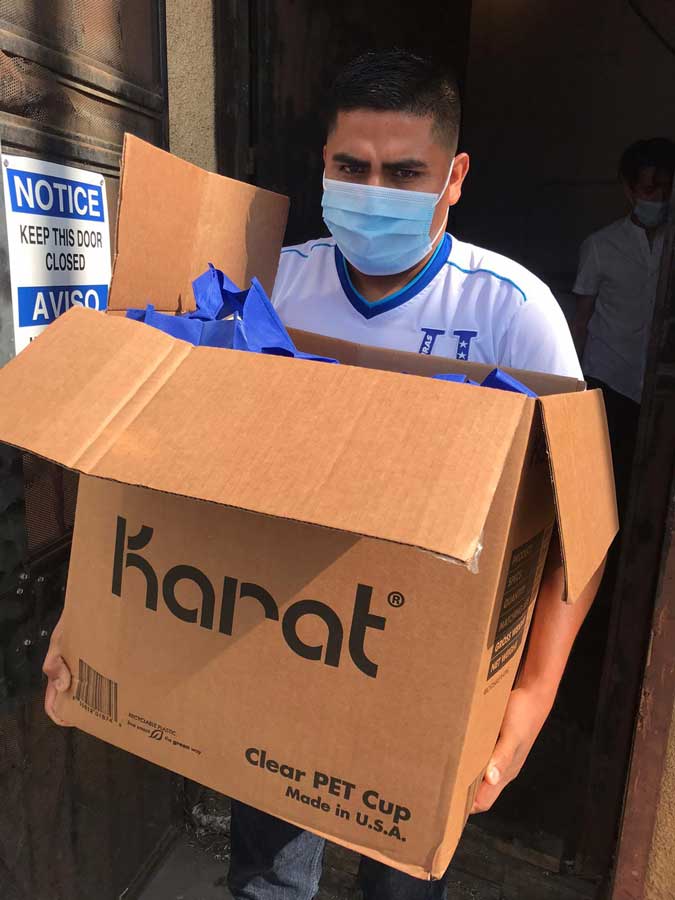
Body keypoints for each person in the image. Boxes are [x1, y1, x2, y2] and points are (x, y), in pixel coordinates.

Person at [43, 50, 605, 900]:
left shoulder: (509, 313)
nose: (372, 191)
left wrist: (528, 697)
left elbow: (575, 528)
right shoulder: (269, 285)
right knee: (268, 874)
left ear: (452, 178)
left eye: (403, 172)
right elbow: (148, 457)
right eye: (352, 168)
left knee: (402, 883)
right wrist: (89, 620)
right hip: (277, 635)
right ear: (324, 167)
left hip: (422, 673)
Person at [572, 137, 675, 514]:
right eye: (650, 189)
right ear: (630, 190)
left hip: (661, 387)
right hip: (610, 382)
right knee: (607, 486)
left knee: (653, 492)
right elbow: (582, 319)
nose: (659, 198)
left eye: (666, 189)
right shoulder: (601, 246)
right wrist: (574, 386)